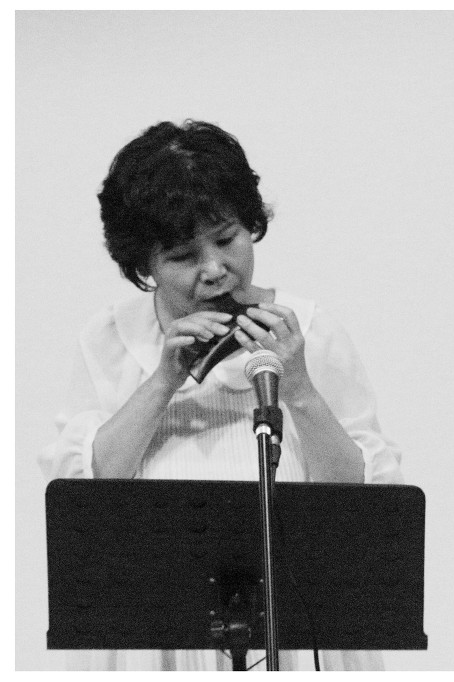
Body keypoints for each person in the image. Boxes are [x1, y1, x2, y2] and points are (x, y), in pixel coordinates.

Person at [40, 120, 403, 671]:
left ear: (250, 224)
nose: (214, 270)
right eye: (183, 256)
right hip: (155, 637)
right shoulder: (110, 339)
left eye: (227, 239)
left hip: (293, 628)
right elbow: (87, 499)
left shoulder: (311, 330)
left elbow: (360, 503)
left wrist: (299, 388)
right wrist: (162, 381)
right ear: (144, 265)